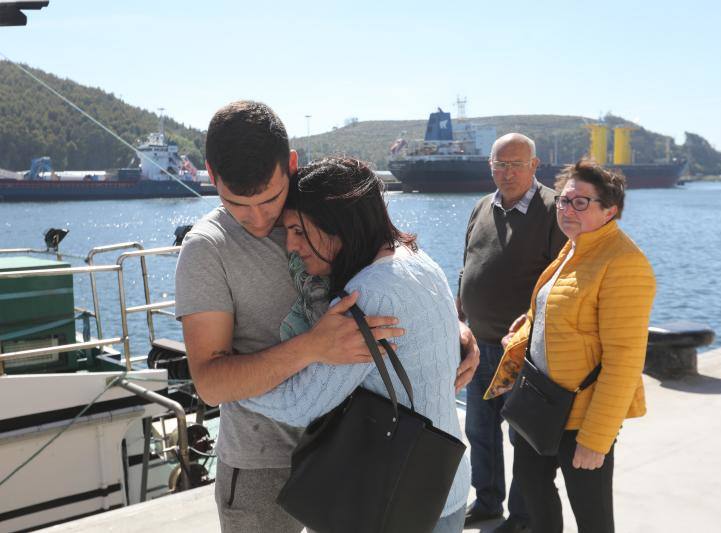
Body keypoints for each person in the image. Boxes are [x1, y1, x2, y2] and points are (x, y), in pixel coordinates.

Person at [175, 101, 419, 532]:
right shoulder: (206, 249)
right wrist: (311, 346)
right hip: (260, 469)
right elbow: (210, 383)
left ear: (291, 164)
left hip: (347, 446)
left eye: (270, 200)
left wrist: (457, 331)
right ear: (212, 177)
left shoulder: (325, 204)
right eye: (236, 204)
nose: (258, 218)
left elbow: (394, 266)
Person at [240, 157, 470, 531]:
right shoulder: (416, 258)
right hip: (444, 485)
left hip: (395, 502)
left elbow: (300, 405)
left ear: (339, 223)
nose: (291, 246)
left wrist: (223, 383)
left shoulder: (366, 296)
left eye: (299, 230)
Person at [485, 159, 656, 533]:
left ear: (610, 210)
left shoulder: (624, 263)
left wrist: (596, 439)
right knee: (533, 490)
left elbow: (625, 360)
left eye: (581, 202)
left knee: (592, 516)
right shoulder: (574, 248)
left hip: (582, 415)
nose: (567, 210)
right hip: (541, 404)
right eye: (564, 200)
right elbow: (554, 308)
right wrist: (523, 331)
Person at [458, 133, 566, 532]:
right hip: (479, 344)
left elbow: (561, 282)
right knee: (480, 430)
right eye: (499, 164)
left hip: (524, 352)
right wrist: (459, 313)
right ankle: (487, 502)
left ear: (535, 166)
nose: (506, 172)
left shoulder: (554, 208)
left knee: (523, 438)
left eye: (515, 164)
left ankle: (522, 518)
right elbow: (466, 265)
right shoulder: (481, 207)